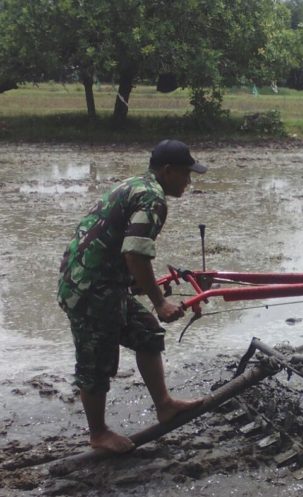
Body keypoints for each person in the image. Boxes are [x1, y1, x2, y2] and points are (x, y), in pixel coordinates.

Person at [58, 139, 207, 453]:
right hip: (91, 289)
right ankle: (98, 433)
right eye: (185, 173)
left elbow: (119, 244)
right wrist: (159, 301)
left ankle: (164, 404)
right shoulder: (153, 198)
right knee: (96, 361)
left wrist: (135, 283)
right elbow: (135, 251)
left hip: (103, 281)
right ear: (167, 171)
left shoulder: (135, 185)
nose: (189, 181)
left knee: (148, 332)